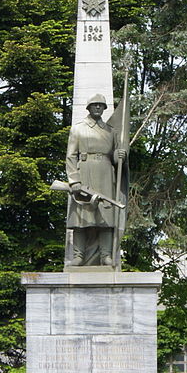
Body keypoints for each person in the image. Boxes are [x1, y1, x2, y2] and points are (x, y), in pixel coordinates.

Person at [66, 94, 126, 265]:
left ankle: (105, 255)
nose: (98, 108)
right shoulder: (78, 129)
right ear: (89, 107)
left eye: (101, 105)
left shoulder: (110, 131)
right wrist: (74, 180)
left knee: (106, 215)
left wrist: (119, 155)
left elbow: (115, 157)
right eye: (95, 105)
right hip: (85, 171)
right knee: (80, 216)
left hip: (106, 174)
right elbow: (71, 156)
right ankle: (78, 256)